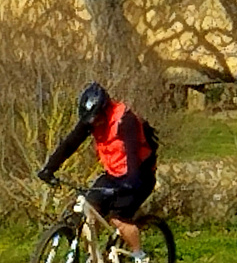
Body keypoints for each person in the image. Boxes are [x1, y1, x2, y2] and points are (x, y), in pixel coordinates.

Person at [36, 82, 158, 263]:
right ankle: (95, 257)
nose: (94, 123)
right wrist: (49, 168)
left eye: (96, 119)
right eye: (90, 120)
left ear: (105, 110)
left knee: (119, 219)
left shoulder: (125, 120)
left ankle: (139, 255)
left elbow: (132, 153)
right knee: (89, 210)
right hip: (113, 173)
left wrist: (130, 183)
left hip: (139, 175)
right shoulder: (91, 120)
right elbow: (70, 143)